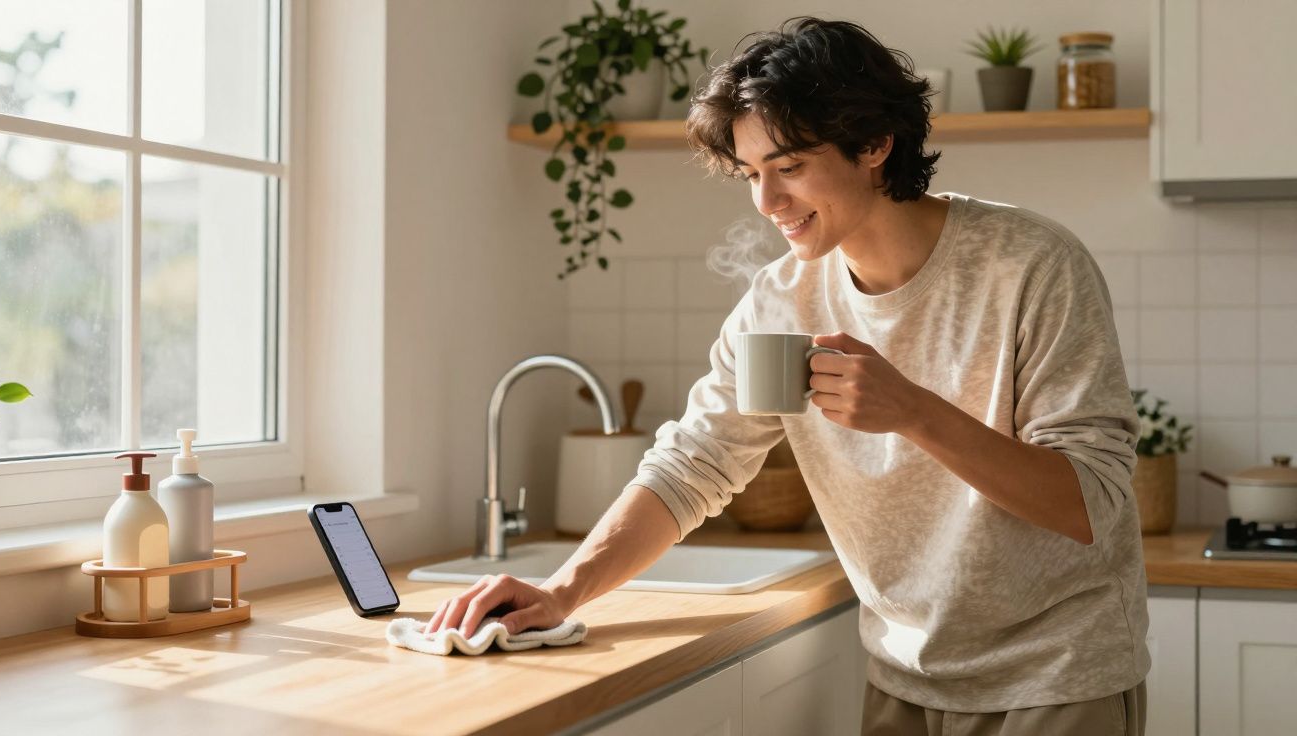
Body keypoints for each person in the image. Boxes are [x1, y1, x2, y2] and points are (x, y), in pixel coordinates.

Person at [428, 17, 1148, 735]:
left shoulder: (1032, 266)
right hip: (903, 678)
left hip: (1056, 680)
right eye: (750, 174)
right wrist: (562, 592)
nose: (767, 204)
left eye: (790, 166)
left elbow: (1093, 503)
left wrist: (915, 412)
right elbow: (693, 464)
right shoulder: (781, 298)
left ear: (873, 144)